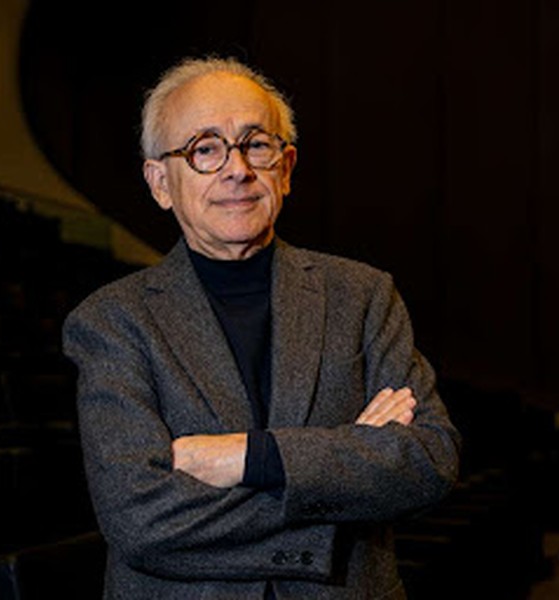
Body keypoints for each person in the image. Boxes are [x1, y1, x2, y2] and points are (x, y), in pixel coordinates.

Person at [62, 56, 461, 599]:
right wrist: (342, 488)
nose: (237, 169)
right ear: (160, 183)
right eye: (205, 149)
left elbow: (429, 460)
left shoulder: (363, 295)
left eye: (255, 144)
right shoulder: (110, 321)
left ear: (286, 168)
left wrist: (250, 457)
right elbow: (139, 520)